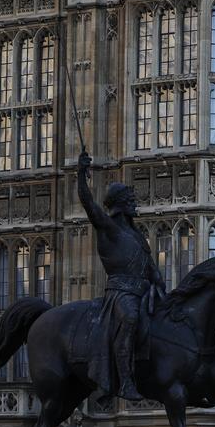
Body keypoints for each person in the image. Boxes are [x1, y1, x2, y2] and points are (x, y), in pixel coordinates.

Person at [78, 150, 165, 401]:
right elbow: (88, 204)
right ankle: (125, 382)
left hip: (144, 290)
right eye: (130, 198)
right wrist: (81, 173)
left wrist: (159, 282)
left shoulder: (136, 234)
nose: (134, 202)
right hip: (122, 293)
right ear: (121, 203)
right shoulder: (110, 228)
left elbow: (149, 265)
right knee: (128, 319)